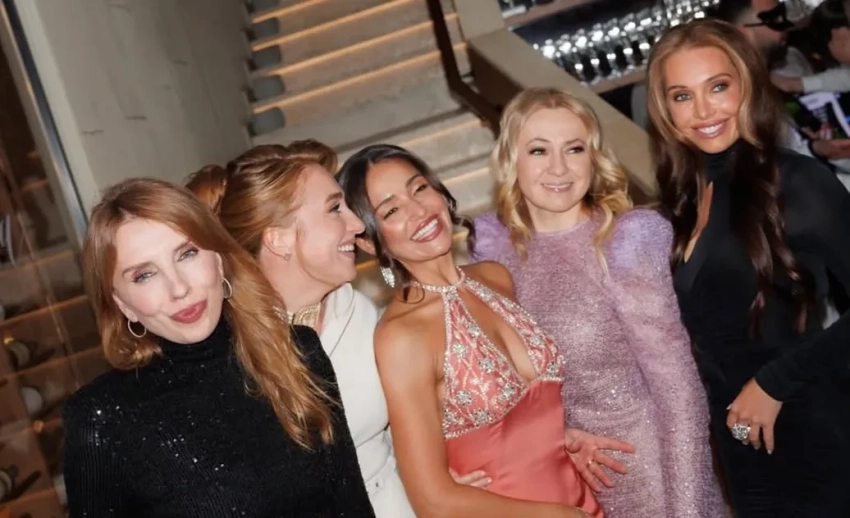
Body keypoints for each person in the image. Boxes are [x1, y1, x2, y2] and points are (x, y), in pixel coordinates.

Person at [185, 141, 489, 517]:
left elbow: (400, 428)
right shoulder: (227, 352)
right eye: (334, 209)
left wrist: (434, 474)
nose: (358, 225)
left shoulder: (358, 312)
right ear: (278, 238)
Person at [338, 144, 636, 517]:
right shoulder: (402, 337)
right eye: (392, 210)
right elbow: (432, 500)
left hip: (579, 500)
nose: (419, 211)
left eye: (420, 189)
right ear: (368, 240)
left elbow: (524, 417)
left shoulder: (495, 277)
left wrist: (558, 439)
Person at [471, 87, 724, 518]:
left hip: (648, 479)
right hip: (553, 486)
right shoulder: (494, 255)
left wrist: (687, 507)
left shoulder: (625, 242)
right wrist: (557, 438)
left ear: (594, 158)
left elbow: (678, 390)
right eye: (538, 150)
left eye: (574, 149)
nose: (559, 168)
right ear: (512, 160)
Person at [62, 178, 374, 517]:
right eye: (144, 275)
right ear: (123, 304)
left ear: (219, 259)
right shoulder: (102, 419)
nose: (179, 288)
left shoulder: (297, 351)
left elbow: (352, 505)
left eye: (187, 254)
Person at [645, 18, 850, 515]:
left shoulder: (794, 181)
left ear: (747, 86)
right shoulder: (682, 204)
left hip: (815, 432)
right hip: (742, 448)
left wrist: (775, 380)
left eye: (718, 87)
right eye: (682, 96)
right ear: (665, 110)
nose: (703, 110)